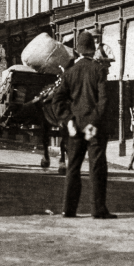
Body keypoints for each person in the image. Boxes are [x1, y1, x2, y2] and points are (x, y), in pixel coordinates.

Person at [52, 30, 115, 219]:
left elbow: (57, 100)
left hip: (75, 128)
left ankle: (68, 209)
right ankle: (98, 210)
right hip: (93, 129)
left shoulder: (69, 73)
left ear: (78, 51)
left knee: (73, 168)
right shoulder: (99, 70)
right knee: (97, 167)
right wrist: (93, 123)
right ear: (92, 50)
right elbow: (104, 101)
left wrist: (68, 120)